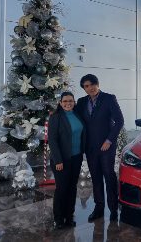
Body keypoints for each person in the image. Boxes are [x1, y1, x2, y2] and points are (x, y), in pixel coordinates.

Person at [76, 74, 124, 222]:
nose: (89, 88)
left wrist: (109, 140)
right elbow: (72, 114)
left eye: (91, 85)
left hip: (106, 147)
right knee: (95, 178)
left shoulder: (109, 98)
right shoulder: (82, 102)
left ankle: (113, 208)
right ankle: (99, 208)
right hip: (90, 147)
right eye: (86, 86)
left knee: (109, 177)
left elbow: (119, 121)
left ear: (97, 84)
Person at [49, 91, 86, 229]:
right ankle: (58, 219)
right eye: (65, 101)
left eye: (70, 101)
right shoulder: (56, 117)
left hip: (76, 158)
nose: (68, 103)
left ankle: (69, 216)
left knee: (72, 188)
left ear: (74, 102)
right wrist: (58, 160)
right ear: (60, 103)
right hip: (61, 160)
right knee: (62, 189)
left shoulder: (77, 115)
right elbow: (52, 141)